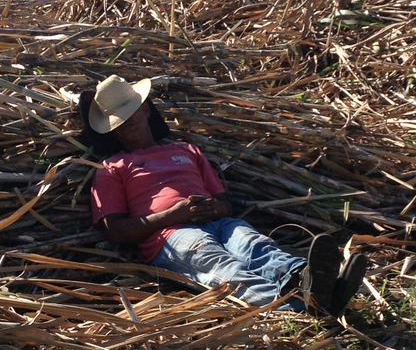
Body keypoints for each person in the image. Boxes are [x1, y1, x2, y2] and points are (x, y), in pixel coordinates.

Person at [89, 75, 367, 315]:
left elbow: (225, 202)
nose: (125, 125)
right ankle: (306, 307)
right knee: (224, 268)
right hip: (172, 236)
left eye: (129, 115)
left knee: (256, 246)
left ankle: (312, 281)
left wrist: (214, 208)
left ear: (146, 110)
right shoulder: (111, 168)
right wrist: (173, 215)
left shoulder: (186, 150)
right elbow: (116, 230)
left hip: (219, 223)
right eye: (118, 122)